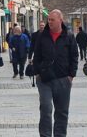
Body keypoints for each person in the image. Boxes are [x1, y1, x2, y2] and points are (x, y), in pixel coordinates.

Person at [32, 9, 79, 137]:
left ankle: (60, 134)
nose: (50, 22)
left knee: (62, 111)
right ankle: (45, 134)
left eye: (52, 20)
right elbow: (36, 55)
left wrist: (71, 75)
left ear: (60, 20)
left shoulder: (68, 36)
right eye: (49, 20)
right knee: (46, 108)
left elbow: (74, 56)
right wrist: (37, 72)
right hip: (44, 79)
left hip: (63, 79)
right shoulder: (42, 35)